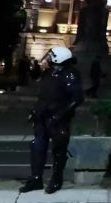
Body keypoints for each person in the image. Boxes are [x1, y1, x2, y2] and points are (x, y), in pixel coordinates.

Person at [19, 46, 84, 194]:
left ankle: (56, 179)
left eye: (50, 56)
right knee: (37, 146)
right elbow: (42, 94)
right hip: (42, 116)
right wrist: (34, 111)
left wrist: (60, 115)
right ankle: (36, 179)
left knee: (59, 150)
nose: (47, 58)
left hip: (58, 119)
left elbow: (76, 98)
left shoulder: (70, 74)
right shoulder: (49, 72)